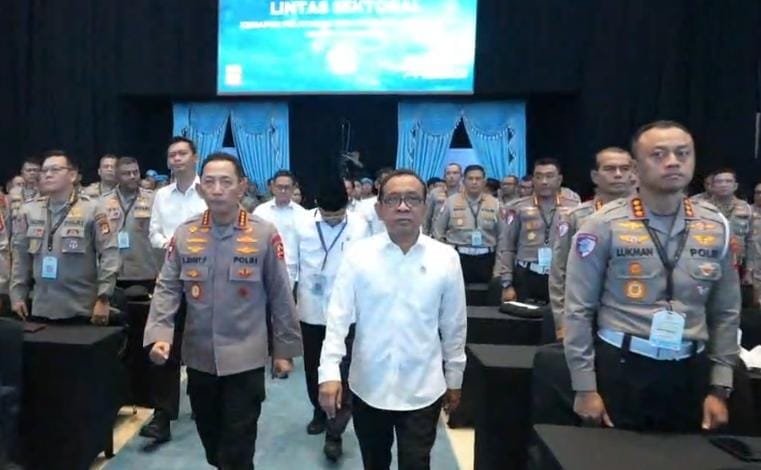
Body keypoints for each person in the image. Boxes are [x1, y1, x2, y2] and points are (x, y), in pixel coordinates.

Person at [564, 120, 739, 432]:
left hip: (691, 369)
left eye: (682, 153)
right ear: (635, 168)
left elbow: (725, 311)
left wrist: (720, 386)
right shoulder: (602, 225)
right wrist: (584, 387)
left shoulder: (715, 226)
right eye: (658, 154)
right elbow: (578, 309)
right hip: (623, 366)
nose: (673, 162)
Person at [144, 153, 302, 469]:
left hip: (246, 357)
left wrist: (284, 350)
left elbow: (280, 294)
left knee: (238, 446)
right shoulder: (185, 233)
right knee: (213, 443)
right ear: (201, 188)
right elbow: (167, 288)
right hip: (200, 356)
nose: (217, 189)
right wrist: (160, 334)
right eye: (210, 182)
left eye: (226, 182)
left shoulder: (263, 233)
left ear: (242, 187)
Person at [319, 169, 466, 470]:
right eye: (393, 199)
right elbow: (337, 318)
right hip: (369, 385)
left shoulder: (445, 258)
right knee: (375, 463)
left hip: (423, 388)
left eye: (412, 199)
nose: (402, 207)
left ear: (425, 207)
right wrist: (329, 372)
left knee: (416, 463)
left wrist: (455, 377)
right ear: (379, 209)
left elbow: (454, 325)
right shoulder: (358, 255)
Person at [294, 176, 369, 461]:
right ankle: (319, 411)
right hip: (311, 308)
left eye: (338, 216)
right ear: (316, 205)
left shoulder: (361, 225)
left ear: (348, 204)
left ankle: (334, 432)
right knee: (313, 367)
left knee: (343, 371)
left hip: (349, 311)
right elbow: (291, 264)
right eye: (328, 216)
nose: (333, 221)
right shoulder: (302, 223)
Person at [143, 136, 207, 442]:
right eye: (172, 155)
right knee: (162, 341)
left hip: (204, 280)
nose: (177, 159)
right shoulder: (161, 195)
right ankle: (163, 415)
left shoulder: (207, 192)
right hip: (170, 278)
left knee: (199, 344)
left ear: (195, 157)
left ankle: (200, 399)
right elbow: (153, 232)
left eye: (182, 153)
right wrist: (170, 243)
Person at [10, 150, 119, 324]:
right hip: (41, 306)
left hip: (81, 308)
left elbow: (110, 254)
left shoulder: (92, 209)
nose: (48, 175)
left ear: (72, 175)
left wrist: (104, 297)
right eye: (44, 171)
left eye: (55, 169)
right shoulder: (29, 211)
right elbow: (20, 258)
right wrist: (17, 295)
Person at [549, 148, 633, 340]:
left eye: (625, 168)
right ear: (595, 176)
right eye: (610, 169)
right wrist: (561, 320)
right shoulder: (576, 217)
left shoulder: (648, 217)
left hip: (632, 313)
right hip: (586, 311)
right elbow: (559, 272)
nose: (618, 174)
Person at [497, 158, 579, 303]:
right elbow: (507, 247)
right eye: (539, 176)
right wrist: (507, 283)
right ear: (533, 180)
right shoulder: (517, 207)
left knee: (557, 316)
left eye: (549, 176)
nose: (544, 181)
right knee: (523, 315)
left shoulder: (574, 208)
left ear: (559, 179)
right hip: (526, 274)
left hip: (561, 276)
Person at [432, 165, 502, 284]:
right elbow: (438, 232)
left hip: (486, 259)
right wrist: (445, 257)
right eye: (470, 178)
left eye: (478, 179)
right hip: (458, 257)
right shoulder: (450, 202)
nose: (474, 182)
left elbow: (502, 237)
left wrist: (498, 268)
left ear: (484, 181)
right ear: (463, 181)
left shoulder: (495, 203)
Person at [101, 157, 161, 287]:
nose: (133, 176)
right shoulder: (103, 202)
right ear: (117, 176)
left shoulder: (153, 199)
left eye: (135, 172)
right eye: (126, 173)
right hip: (112, 271)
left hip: (145, 270)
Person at [695, 170, 756, 294]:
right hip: (706, 263)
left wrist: (749, 271)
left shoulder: (746, 209)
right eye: (719, 181)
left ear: (735, 186)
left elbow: (751, 241)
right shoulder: (700, 208)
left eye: (728, 181)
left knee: (731, 300)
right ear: (712, 186)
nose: (724, 184)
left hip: (735, 266)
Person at [252, 170, 307, 289]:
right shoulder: (260, 212)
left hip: (291, 271)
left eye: (287, 187)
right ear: (272, 187)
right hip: (264, 267)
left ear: (293, 188)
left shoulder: (303, 215)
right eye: (279, 187)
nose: (283, 191)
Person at [423, 163, 462, 234]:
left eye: (455, 173)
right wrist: (424, 236)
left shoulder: (466, 194)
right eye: (448, 173)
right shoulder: (435, 193)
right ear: (444, 176)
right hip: (436, 236)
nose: (451, 176)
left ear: (461, 176)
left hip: (457, 237)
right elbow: (427, 217)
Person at [356, 167, 393, 235]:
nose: (390, 186)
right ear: (376, 184)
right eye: (385, 183)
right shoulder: (363, 206)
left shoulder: (402, 207)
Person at [8, 158, 41, 223]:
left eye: (35, 170)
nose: (32, 173)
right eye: (29, 170)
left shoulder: (46, 192)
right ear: (22, 172)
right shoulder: (14, 193)